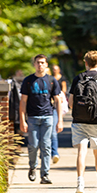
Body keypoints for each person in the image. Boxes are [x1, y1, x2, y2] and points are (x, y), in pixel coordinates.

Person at [69, 51, 97, 193]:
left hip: (79, 121)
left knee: (81, 151)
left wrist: (79, 109)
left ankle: (80, 184)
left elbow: (70, 102)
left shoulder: (78, 78)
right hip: (96, 120)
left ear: (85, 62)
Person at [19, 55, 64, 184]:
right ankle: (33, 167)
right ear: (34, 64)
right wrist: (22, 120)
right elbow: (23, 102)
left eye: (42, 63)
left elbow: (58, 100)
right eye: (38, 63)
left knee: (46, 146)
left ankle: (45, 174)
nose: (40, 65)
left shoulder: (51, 80)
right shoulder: (28, 81)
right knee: (33, 146)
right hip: (32, 117)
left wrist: (60, 119)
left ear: (46, 65)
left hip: (48, 116)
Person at [50, 64, 70, 164]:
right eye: (53, 69)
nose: (54, 70)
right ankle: (46, 153)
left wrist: (61, 96)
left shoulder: (61, 78)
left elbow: (64, 88)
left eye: (56, 69)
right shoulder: (50, 78)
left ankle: (54, 153)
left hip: (55, 104)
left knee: (53, 132)